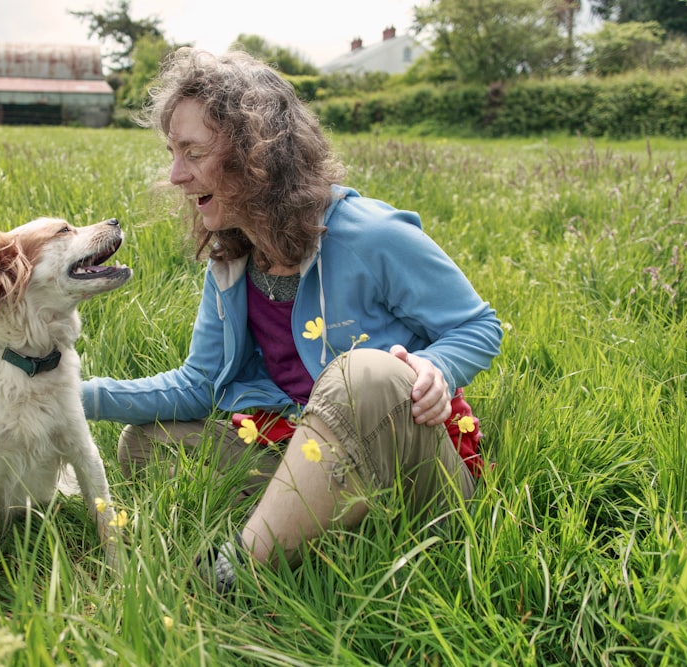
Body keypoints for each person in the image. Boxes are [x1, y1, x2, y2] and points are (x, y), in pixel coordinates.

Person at [81, 47, 502, 593]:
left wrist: (433, 370)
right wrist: (70, 391)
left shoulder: (369, 234)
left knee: (364, 373)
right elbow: (199, 385)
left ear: (258, 154)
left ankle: (235, 571)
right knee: (145, 443)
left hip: (415, 468)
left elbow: (478, 325)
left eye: (193, 152)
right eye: (172, 152)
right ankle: (320, 526)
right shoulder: (233, 261)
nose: (176, 175)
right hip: (302, 443)